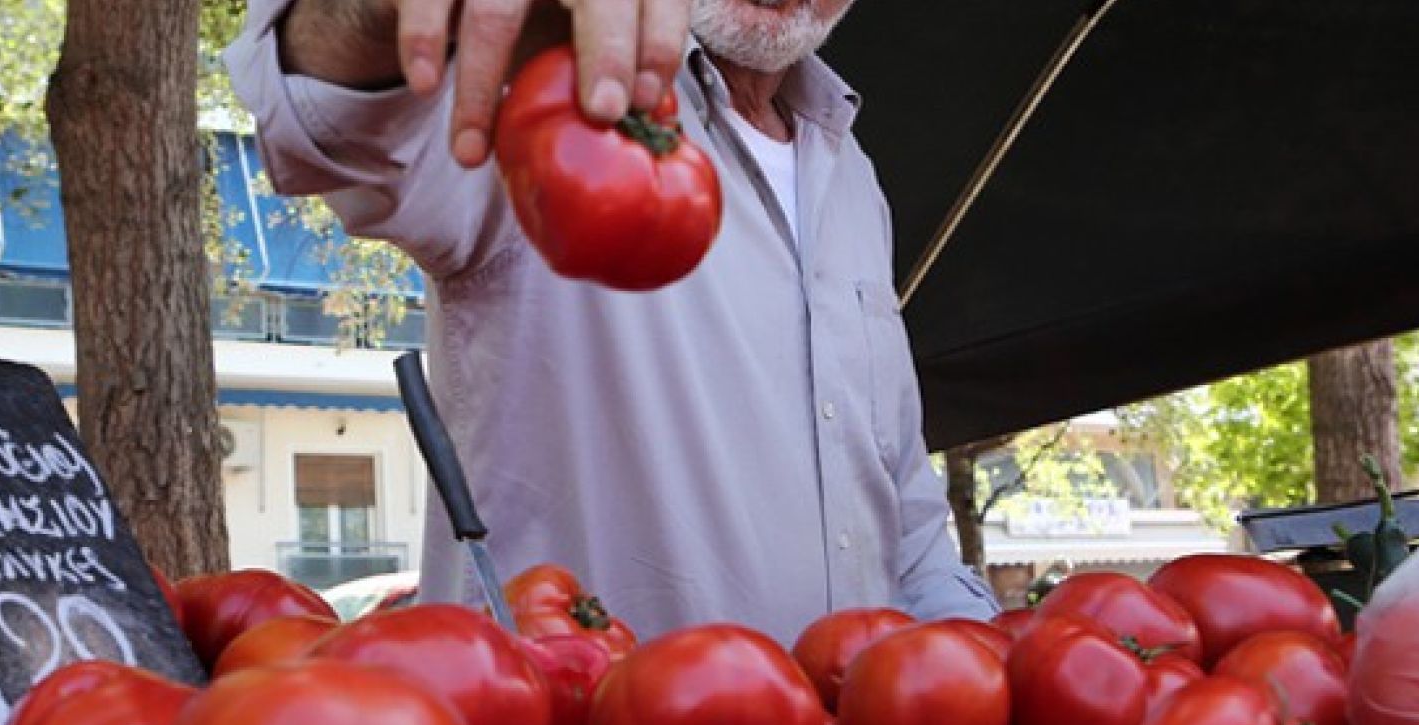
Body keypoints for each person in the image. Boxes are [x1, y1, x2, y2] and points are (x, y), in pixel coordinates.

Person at [227, 0, 998, 644]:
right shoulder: (546, 80)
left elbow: (903, 511)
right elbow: (324, 123)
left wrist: (990, 664)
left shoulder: (853, 175)